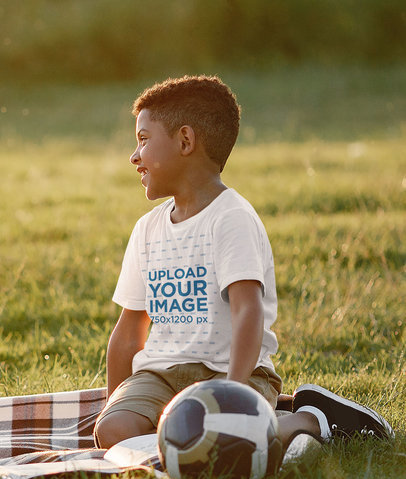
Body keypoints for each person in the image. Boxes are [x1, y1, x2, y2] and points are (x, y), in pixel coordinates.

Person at [94, 75, 394, 452]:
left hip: (233, 372)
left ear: (185, 141)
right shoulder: (147, 229)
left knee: (219, 441)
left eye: (143, 139)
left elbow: (247, 312)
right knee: (114, 433)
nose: (134, 156)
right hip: (161, 374)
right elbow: (127, 332)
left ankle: (310, 420)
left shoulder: (230, 218)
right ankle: (268, 419)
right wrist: (113, 405)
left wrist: (233, 396)